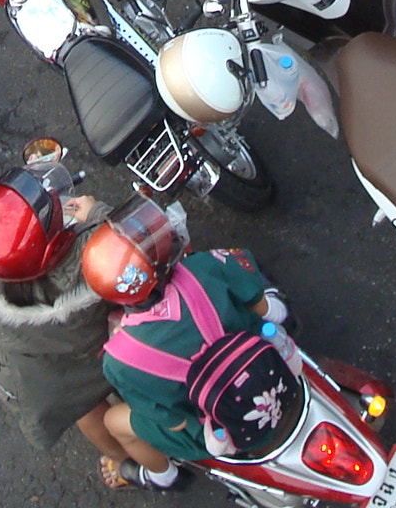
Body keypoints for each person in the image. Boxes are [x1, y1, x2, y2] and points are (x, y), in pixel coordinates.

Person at [83, 197, 291, 491]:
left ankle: (162, 476)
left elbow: (173, 421)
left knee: (115, 422)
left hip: (217, 426)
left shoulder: (119, 360)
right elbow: (261, 306)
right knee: (273, 312)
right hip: (269, 363)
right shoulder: (203, 267)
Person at [0, 165, 123, 474]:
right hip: (108, 353)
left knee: (85, 412)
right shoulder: (95, 252)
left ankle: (121, 462)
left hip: (58, 385)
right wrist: (98, 211)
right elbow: (131, 239)